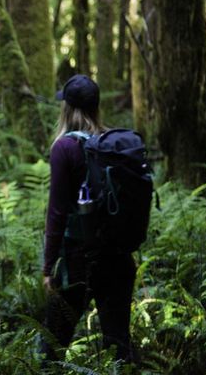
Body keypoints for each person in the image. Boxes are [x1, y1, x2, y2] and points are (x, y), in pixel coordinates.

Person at [41, 74, 136, 362]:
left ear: (67, 109)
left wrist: (48, 267)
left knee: (50, 348)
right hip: (119, 259)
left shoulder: (64, 148)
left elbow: (56, 212)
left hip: (78, 263)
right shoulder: (113, 143)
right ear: (96, 107)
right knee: (119, 347)